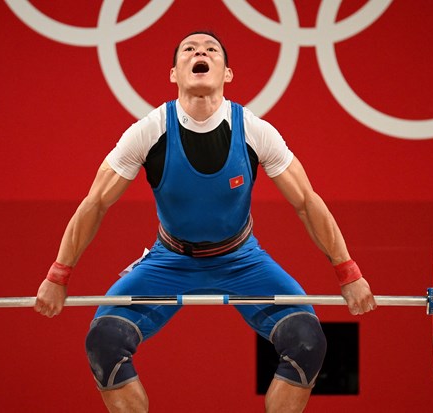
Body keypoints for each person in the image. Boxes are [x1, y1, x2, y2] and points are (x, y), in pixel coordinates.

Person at [34, 30, 377, 413]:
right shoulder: (149, 131)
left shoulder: (254, 131)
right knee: (104, 343)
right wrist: (58, 276)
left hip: (242, 261)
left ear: (227, 73)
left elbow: (307, 203)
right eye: (189, 50)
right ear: (174, 73)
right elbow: (95, 203)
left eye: (211, 49)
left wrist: (348, 272)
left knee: (307, 340)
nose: (201, 52)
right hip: (170, 261)